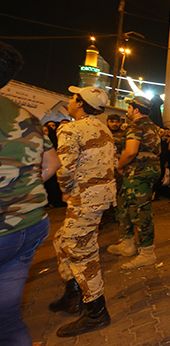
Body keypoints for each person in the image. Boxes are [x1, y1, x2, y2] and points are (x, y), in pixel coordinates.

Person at [0, 41, 60, 346]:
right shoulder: (26, 115)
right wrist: (20, 191)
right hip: (29, 224)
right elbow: (52, 163)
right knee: (8, 318)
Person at [52, 86, 115, 336]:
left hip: (84, 197)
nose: (69, 101)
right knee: (61, 240)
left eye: (72, 97)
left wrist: (65, 190)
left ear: (80, 103)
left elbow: (66, 167)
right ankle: (73, 294)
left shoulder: (71, 129)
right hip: (100, 196)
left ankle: (96, 311)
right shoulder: (103, 128)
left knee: (80, 249)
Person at [108, 96, 162, 269]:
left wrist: (120, 165)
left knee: (140, 210)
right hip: (148, 169)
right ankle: (127, 244)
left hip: (139, 171)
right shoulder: (153, 126)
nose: (128, 110)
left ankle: (147, 253)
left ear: (136, 109)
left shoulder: (135, 125)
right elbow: (158, 150)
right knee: (123, 204)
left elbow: (131, 151)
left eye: (129, 107)